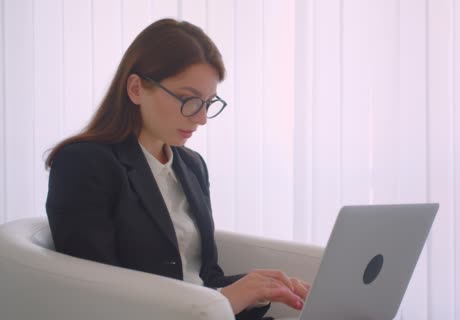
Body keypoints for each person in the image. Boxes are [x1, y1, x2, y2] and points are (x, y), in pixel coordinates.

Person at [45, 18, 309, 320]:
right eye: (188, 100)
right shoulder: (84, 164)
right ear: (135, 89)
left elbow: (202, 277)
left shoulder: (191, 166)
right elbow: (97, 295)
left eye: (208, 103)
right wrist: (224, 301)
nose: (201, 119)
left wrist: (258, 288)